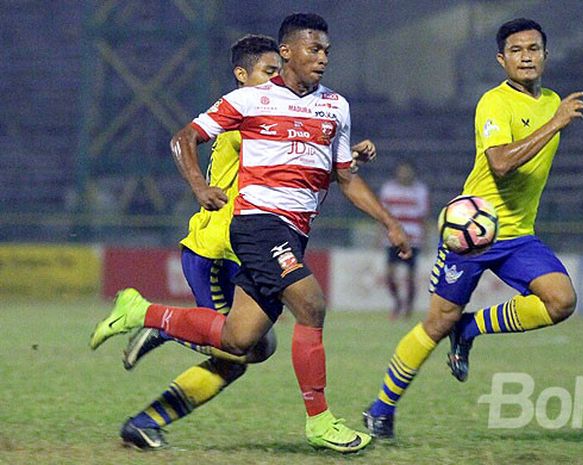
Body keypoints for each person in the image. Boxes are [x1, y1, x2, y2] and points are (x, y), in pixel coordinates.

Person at [90, 12, 411, 453]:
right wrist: (200, 187)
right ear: (286, 51)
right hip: (256, 226)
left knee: (241, 341)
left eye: (326, 52)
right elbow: (185, 136)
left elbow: (343, 176)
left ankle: (143, 315)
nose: (322, 58)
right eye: (313, 49)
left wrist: (389, 220)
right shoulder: (250, 102)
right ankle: (319, 421)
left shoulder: (336, 106)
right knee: (311, 306)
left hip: (293, 232)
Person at [362, 18, 583, 439]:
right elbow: (500, 164)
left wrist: (553, 116)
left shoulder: (552, 100)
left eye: (533, 49)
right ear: (502, 60)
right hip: (472, 234)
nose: (526, 57)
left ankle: (470, 328)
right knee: (434, 325)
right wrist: (555, 123)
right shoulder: (494, 103)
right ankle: (380, 410)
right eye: (516, 50)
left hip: (518, 234)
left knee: (560, 301)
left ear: (545, 54)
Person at [115, 33, 282, 451]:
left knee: (254, 348)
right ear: (241, 76)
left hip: (241, 251)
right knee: (235, 348)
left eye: (279, 71)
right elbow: (185, 138)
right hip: (214, 248)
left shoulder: (271, 112)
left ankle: (144, 419)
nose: (276, 80)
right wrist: (199, 186)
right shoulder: (247, 116)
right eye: (268, 71)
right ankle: (157, 323)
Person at [379, 161, 430, 319]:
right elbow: (381, 214)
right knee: (389, 275)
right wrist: (379, 235)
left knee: (410, 276)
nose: (404, 174)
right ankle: (397, 302)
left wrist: (426, 239)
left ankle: (408, 307)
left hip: (413, 238)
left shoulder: (420, 190)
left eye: (407, 171)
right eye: (402, 171)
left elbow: (424, 217)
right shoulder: (388, 189)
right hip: (393, 238)